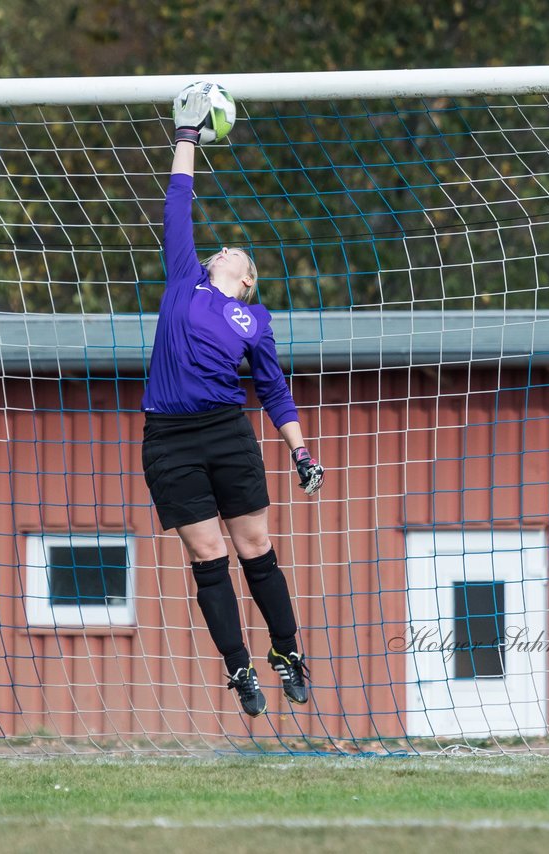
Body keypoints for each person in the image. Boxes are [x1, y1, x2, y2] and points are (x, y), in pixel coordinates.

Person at [141, 83, 326, 718]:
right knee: (208, 557)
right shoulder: (185, 281)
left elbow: (274, 389)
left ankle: (286, 652)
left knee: (254, 549)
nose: (225, 248)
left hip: (226, 431)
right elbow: (178, 205)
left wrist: (301, 453)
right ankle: (239, 670)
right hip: (168, 439)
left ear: (246, 282)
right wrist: (186, 137)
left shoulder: (255, 320)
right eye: (222, 249)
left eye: (236, 257)